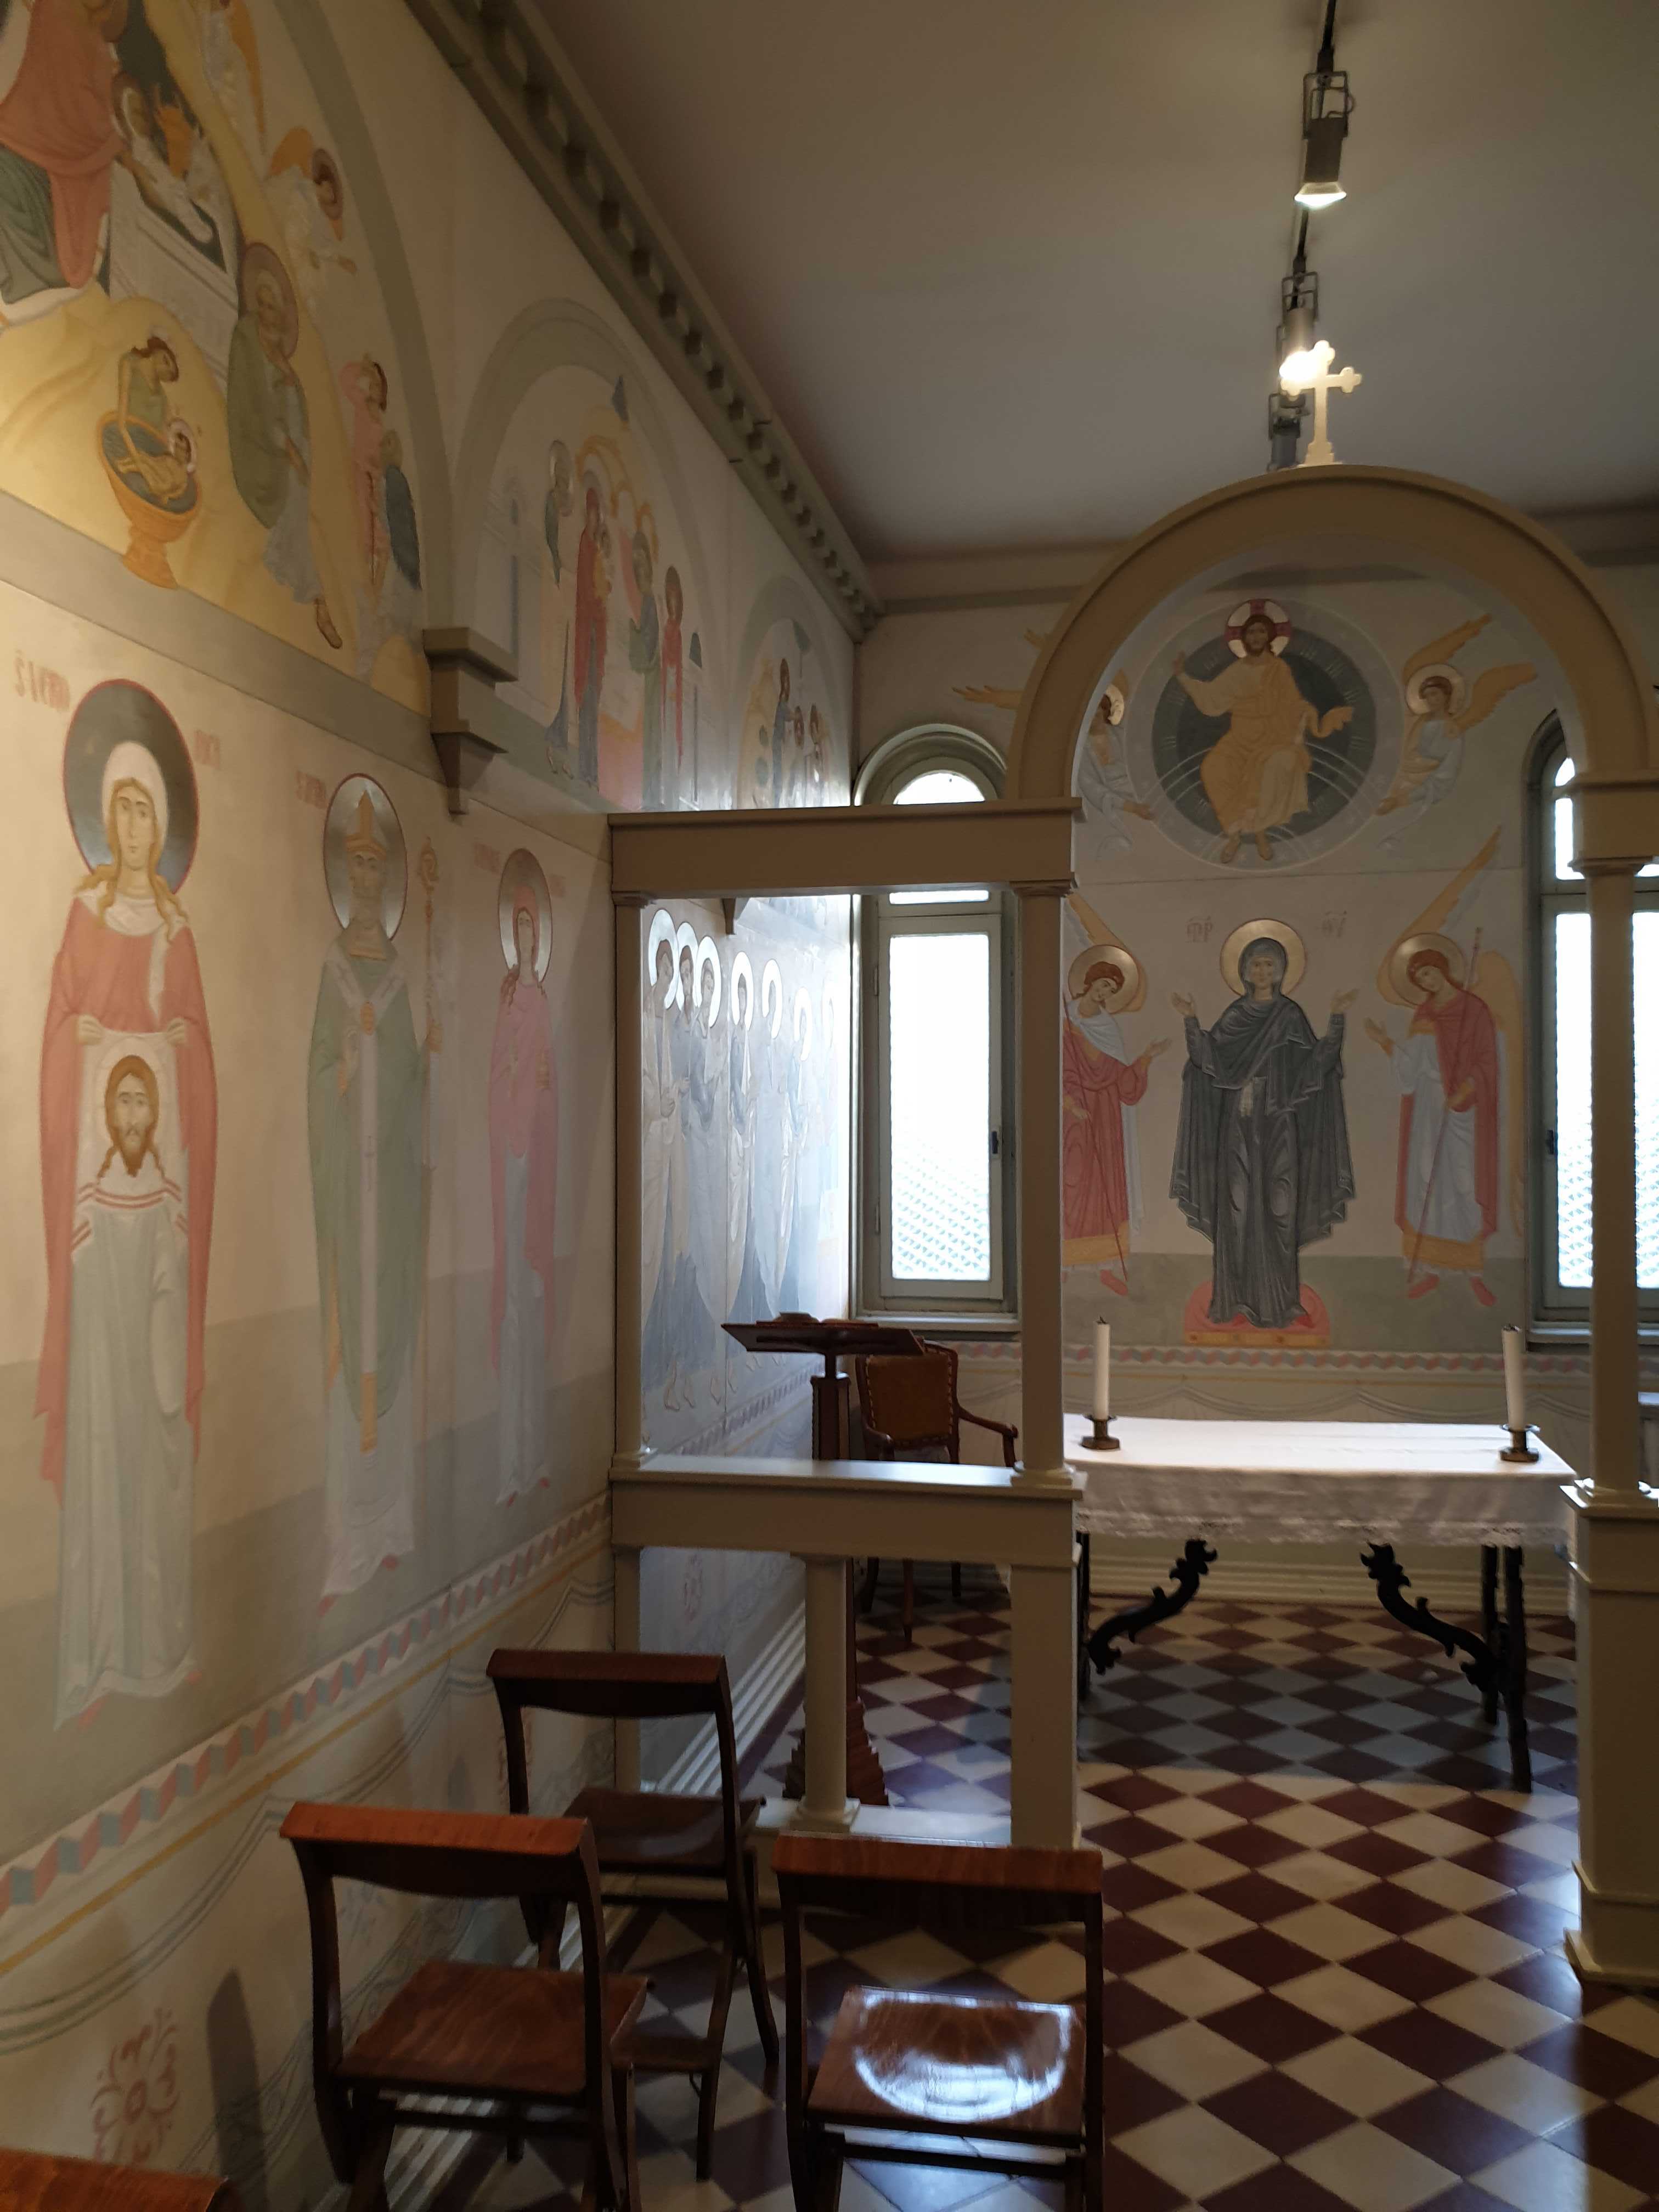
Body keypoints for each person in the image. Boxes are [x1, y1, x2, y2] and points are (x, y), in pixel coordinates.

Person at [37, 737, 216, 1725]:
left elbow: (200, 1065)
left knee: (157, 1424)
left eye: (149, 809)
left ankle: (162, 1641)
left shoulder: (177, 933)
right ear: (106, 821)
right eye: (124, 809)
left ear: (164, 823)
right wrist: (79, 1041)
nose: (136, 826)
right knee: (103, 1420)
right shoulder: (84, 915)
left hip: (163, 1224)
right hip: (95, 1220)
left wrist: (182, 1051)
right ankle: (97, 1653)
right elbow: (59, 1033)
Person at [307, 792, 429, 1604]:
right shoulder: (333, 975)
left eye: (374, 866)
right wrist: (341, 1079)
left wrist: (429, 1064)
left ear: (385, 880)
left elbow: (415, 1085)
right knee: (351, 1343)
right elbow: (315, 1077)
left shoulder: (398, 981)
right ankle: (351, 1536)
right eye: (353, 864)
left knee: (395, 1338)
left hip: (392, 1204)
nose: (363, 876)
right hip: (351, 1201)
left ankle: (392, 1526)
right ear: (343, 876)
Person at [1171, 939, 1355, 1329]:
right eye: (1256, 965)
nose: (1263, 972)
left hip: (1279, 1123)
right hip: (1238, 1123)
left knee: (1281, 1207)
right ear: (1244, 971)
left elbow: (1316, 1064)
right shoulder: (1236, 1016)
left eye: (1270, 965)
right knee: (1237, 1207)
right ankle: (1234, 1299)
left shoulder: (1290, 1016)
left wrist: (1337, 1020)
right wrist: (1190, 1020)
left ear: (1281, 971)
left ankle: (1281, 1301)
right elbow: (1208, 1058)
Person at [1367, 949, 1499, 1306]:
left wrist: (1466, 1090)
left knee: (1464, 1183)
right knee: (1426, 1181)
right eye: (1420, 978)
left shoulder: (1474, 1011)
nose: (1426, 981)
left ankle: (1473, 1272)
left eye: (1428, 972)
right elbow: (1412, 1066)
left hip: (1461, 1109)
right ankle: (1431, 1270)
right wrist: (1385, 1042)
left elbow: (1488, 1060)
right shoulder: (1425, 1014)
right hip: (1427, 1107)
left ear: (1442, 969)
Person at [227, 247, 342, 648]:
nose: (267, 313)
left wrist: (299, 446)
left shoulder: (279, 353)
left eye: (273, 307)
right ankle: (319, 600)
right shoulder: (248, 344)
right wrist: (286, 446)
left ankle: (309, 588)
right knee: (294, 521)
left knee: (297, 524)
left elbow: (295, 406)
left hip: (294, 453)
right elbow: (252, 406)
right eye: (261, 305)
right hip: (267, 452)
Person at [1175, 610, 1352, 865]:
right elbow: (1212, 697)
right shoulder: (1238, 670)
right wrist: (1182, 676)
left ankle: (1260, 834)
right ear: (1244, 638)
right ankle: (1234, 835)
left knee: (1265, 773)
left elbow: (1292, 703)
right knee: (1212, 769)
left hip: (1272, 737)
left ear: (1269, 636)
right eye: (1251, 632)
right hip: (1239, 738)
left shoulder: (1278, 669)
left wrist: (1308, 718)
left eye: (1261, 631)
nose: (1256, 637)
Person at [490, 891, 558, 1500]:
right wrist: (514, 1076)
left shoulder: (544, 1002)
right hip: (511, 1157)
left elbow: (552, 1085)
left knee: (534, 1307)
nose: (529, 941)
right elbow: (497, 1073)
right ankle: (511, 1463)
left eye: (534, 932)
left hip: (537, 1161)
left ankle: (534, 1457)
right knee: (514, 1306)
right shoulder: (508, 999)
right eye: (522, 932)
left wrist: (542, 1084)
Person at [0, 0, 127, 318]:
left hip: (62, 154)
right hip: (31, 139)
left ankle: (32, 278)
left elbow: (86, 110)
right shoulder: (56, 11)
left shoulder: (94, 39)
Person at [1064, 961, 1166, 1294]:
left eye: (1111, 989)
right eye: (1102, 984)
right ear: (1090, 982)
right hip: (1071, 1113)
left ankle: (1106, 1266)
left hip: (1105, 1114)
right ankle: (1063, 1262)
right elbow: (1054, 1066)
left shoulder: (1107, 1028)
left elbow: (1122, 1081)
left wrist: (1146, 1058)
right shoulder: (1064, 1018)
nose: (1104, 991)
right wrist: (1069, 1104)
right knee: (1072, 1183)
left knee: (1106, 1183)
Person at [109, 335, 190, 504]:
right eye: (166, 360)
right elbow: (122, 424)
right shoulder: (130, 363)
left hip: (151, 448)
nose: (165, 368)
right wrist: (135, 456)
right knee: (149, 470)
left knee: (167, 478)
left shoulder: (163, 397)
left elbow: (170, 434)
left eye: (170, 373)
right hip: (129, 438)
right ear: (158, 351)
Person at [339, 357, 390, 587]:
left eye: (378, 385)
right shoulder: (361, 404)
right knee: (361, 525)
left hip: (373, 479)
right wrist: (364, 368)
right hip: (360, 474)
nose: (374, 388)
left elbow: (382, 458)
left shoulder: (381, 424)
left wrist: (377, 471)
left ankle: (372, 585)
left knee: (378, 531)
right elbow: (345, 380)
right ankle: (361, 576)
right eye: (372, 383)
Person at [572, 485, 609, 786]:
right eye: (592, 514)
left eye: (598, 515)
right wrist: (598, 599)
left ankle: (593, 770)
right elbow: (586, 591)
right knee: (586, 700)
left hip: (597, 633)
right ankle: (585, 768)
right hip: (587, 634)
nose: (595, 520)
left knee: (594, 702)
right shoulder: (586, 546)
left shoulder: (596, 549)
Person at [623, 527, 662, 806]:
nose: (639, 570)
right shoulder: (647, 601)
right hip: (650, 684)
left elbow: (647, 651)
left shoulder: (651, 602)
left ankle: (649, 796)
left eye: (642, 563)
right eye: (635, 565)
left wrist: (631, 632)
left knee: (650, 740)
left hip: (653, 684)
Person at [662, 565, 685, 781]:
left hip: (673, 694)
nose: (674, 606)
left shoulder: (678, 634)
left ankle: (671, 778)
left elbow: (678, 666)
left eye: (677, 601)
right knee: (666, 733)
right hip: (666, 690)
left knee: (672, 736)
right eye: (671, 601)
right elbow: (667, 660)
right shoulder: (668, 629)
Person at [769, 658, 791, 804]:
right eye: (785, 682)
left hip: (779, 741)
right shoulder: (781, 703)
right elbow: (788, 715)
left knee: (780, 773)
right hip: (776, 741)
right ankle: (776, 800)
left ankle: (777, 799)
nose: (786, 685)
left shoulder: (782, 703)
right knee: (778, 773)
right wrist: (798, 716)